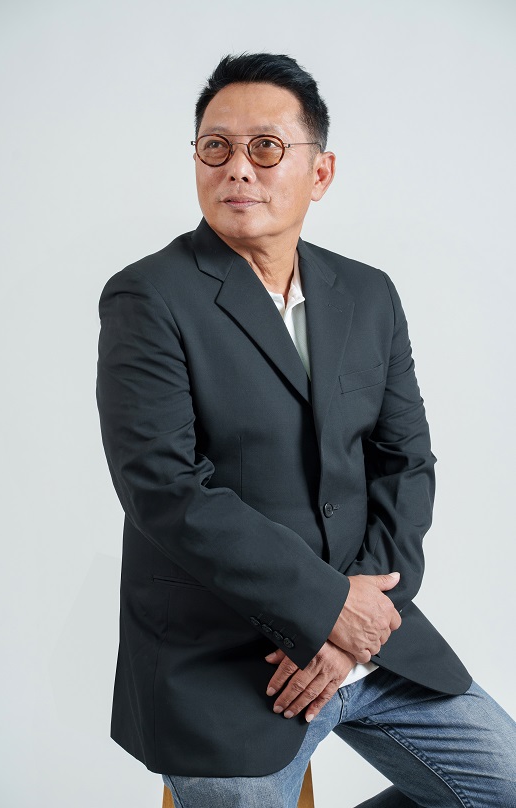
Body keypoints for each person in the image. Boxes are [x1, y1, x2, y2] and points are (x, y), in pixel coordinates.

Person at [96, 53, 515, 807]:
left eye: (266, 147)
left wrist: (363, 618)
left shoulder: (367, 293)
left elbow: (405, 463)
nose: (237, 168)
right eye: (216, 147)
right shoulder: (148, 296)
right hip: (222, 660)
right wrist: (323, 612)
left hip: (371, 639)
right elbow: (165, 490)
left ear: (320, 173)